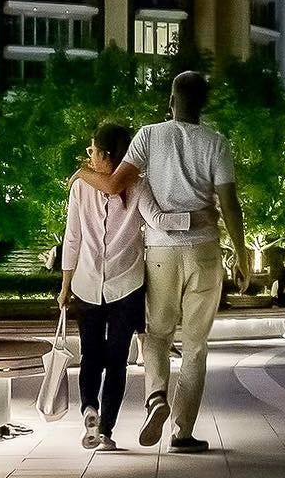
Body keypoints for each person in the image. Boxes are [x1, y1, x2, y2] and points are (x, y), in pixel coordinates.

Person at [73, 71, 250, 454]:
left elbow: (114, 184)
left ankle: (156, 396)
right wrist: (243, 254)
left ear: (171, 100)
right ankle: (182, 432)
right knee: (196, 345)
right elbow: (229, 205)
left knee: (156, 333)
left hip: (161, 252)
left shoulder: (149, 135)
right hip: (204, 251)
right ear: (204, 105)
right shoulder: (217, 144)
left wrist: (81, 171)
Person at [57, 123, 202, 451]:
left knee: (90, 354)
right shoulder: (138, 185)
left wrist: (65, 285)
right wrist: (196, 218)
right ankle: (105, 430)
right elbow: (160, 221)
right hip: (127, 288)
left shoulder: (81, 186)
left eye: (93, 150)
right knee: (116, 359)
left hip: (87, 285)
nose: (89, 155)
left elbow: (72, 239)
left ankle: (89, 410)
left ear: (106, 156)